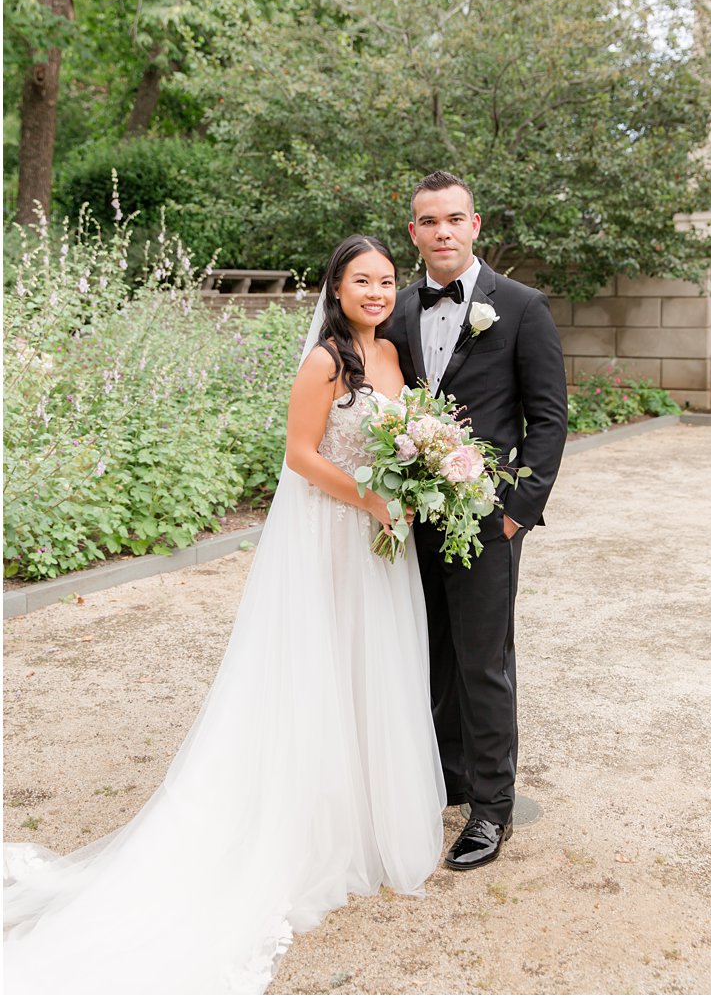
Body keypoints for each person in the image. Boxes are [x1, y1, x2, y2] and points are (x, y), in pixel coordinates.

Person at [3, 235, 446, 993]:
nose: (376, 291)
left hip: (382, 536)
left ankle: (366, 816)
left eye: (385, 280)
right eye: (361, 280)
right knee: (316, 669)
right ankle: (306, 825)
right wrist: (371, 496)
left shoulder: (397, 360)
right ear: (336, 288)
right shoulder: (324, 362)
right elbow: (301, 454)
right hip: (331, 530)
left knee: (369, 668)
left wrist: (413, 484)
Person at [381, 170, 568, 870]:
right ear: (414, 233)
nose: (443, 232)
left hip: (488, 521)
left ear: (476, 224)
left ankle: (492, 809)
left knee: (484, 662)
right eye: (429, 221)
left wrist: (518, 513)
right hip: (414, 519)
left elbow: (548, 418)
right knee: (429, 656)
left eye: (454, 218)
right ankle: (450, 778)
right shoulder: (396, 311)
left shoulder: (520, 307)